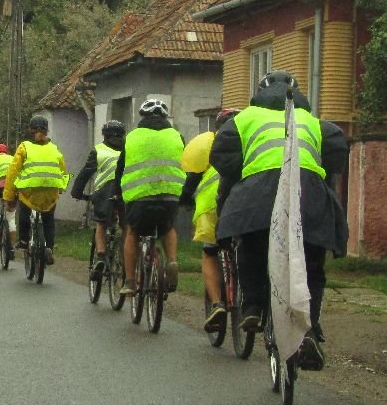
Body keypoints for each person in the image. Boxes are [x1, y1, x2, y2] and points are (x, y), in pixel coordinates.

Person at [211, 70, 349, 371]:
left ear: (259, 92)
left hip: (257, 195)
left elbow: (224, 163)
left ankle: (252, 307)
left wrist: (231, 203)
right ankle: (309, 326)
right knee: (312, 263)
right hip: (307, 193)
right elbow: (336, 155)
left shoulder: (244, 119)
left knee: (250, 245)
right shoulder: (315, 122)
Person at [114, 99, 185, 296]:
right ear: (165, 117)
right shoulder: (177, 136)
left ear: (143, 117)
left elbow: (120, 170)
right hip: (170, 195)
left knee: (132, 232)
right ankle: (172, 261)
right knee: (168, 228)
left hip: (139, 197)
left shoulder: (132, 137)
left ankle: (130, 281)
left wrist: (117, 193)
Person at [179, 108, 240, 332]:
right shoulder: (252, 143)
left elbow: (192, 180)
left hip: (211, 206)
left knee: (210, 253)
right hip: (243, 207)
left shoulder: (207, 144)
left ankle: (217, 304)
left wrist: (185, 200)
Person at [3, 115, 67, 266]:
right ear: (47, 131)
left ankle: (24, 240)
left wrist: (9, 196)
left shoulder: (24, 147)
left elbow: (13, 172)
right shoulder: (54, 148)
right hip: (51, 189)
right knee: (48, 219)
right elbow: (63, 169)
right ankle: (49, 247)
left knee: (24, 211)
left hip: (30, 190)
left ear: (30, 130)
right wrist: (61, 188)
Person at [71, 120, 126, 282]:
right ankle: (125, 256)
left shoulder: (99, 150)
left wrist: (77, 192)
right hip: (125, 191)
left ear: (104, 135)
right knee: (126, 226)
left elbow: (86, 173)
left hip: (105, 192)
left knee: (101, 224)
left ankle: (101, 257)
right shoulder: (128, 149)